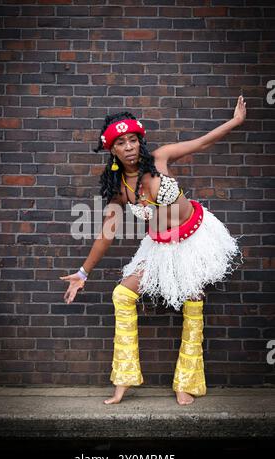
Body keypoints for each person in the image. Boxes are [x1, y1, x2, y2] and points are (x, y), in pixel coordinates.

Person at [60, 96, 246, 406]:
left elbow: (200, 144)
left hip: (194, 237)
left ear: (140, 141)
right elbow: (106, 234)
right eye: (122, 142)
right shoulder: (119, 189)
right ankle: (123, 378)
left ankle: (186, 382)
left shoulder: (160, 159)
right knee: (122, 294)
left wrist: (235, 121)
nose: (130, 146)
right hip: (160, 246)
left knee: (192, 300)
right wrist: (82, 273)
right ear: (113, 150)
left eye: (133, 139)